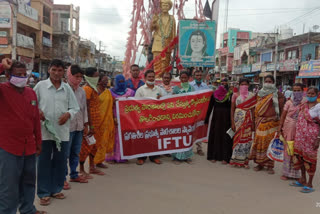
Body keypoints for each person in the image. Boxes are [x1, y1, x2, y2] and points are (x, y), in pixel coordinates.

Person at [0, 61, 46, 214]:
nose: (22, 77)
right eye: (17, 74)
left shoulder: (30, 93)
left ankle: (28, 209)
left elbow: (35, 120)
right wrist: (2, 66)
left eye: (24, 74)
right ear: (7, 76)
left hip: (29, 146)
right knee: (9, 185)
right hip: (8, 147)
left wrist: (38, 141)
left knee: (29, 182)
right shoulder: (3, 90)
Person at [34, 59, 79, 206]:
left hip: (62, 132)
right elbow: (31, 103)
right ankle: (43, 192)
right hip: (44, 131)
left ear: (63, 72)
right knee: (43, 162)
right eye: (54, 70)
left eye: (60, 70)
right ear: (49, 70)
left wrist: (68, 114)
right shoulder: (40, 86)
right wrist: (37, 111)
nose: (56, 73)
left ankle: (56, 188)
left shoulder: (67, 89)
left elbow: (74, 108)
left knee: (60, 162)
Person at [250, 75, 285, 175]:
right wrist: (253, 121)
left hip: (272, 122)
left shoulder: (278, 94)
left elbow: (281, 110)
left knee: (270, 144)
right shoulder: (259, 94)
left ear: (273, 83)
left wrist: (281, 125)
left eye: (270, 81)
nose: (268, 83)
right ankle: (259, 164)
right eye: (266, 81)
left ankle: (270, 165)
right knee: (260, 143)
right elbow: (254, 107)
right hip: (260, 122)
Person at [63, 65, 89, 191]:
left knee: (75, 152)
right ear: (69, 75)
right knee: (64, 154)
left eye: (80, 77)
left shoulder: (81, 91)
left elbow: (83, 109)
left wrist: (85, 124)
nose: (78, 79)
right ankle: (62, 178)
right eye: (76, 76)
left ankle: (73, 174)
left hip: (78, 127)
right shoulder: (63, 89)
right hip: (67, 128)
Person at [290, 87, 320, 193]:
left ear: (317, 94)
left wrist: (318, 139)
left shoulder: (318, 107)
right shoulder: (304, 105)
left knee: (310, 159)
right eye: (309, 93)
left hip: (311, 137)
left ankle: (310, 183)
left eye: (312, 94)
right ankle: (302, 179)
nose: (310, 95)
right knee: (300, 157)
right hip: (300, 136)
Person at [79, 67, 105, 177]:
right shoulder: (87, 89)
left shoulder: (93, 88)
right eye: (96, 76)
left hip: (96, 123)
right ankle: (81, 169)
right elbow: (87, 107)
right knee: (85, 146)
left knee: (94, 145)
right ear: (89, 77)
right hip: (90, 124)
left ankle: (92, 166)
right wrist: (89, 125)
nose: (97, 78)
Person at [135, 70, 164, 165]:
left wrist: (160, 99)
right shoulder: (140, 90)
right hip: (144, 118)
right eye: (149, 77)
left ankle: (154, 157)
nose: (151, 78)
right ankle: (141, 157)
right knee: (143, 138)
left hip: (156, 118)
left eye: (153, 77)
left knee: (154, 138)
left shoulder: (159, 89)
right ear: (145, 78)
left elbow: (164, 102)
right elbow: (136, 104)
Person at [106, 74, 135, 163]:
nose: (121, 83)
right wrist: (113, 102)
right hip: (113, 117)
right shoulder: (109, 92)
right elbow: (106, 105)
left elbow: (134, 104)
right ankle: (111, 157)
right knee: (113, 137)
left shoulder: (130, 92)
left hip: (125, 118)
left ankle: (122, 156)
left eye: (123, 81)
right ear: (115, 82)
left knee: (123, 137)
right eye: (119, 82)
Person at [278, 83, 304, 181]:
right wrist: (279, 128)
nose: (296, 92)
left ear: (302, 90)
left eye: (298, 90)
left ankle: (296, 174)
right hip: (288, 129)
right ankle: (286, 173)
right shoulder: (289, 102)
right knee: (288, 150)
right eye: (295, 90)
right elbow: (283, 115)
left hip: (300, 131)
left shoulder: (305, 103)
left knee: (297, 151)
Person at [205, 78, 233, 164]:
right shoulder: (214, 94)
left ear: (228, 83)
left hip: (226, 119)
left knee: (226, 137)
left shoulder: (230, 94)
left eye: (225, 82)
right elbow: (210, 107)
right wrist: (206, 118)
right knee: (216, 136)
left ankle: (225, 157)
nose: (224, 83)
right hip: (216, 118)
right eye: (222, 82)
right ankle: (214, 156)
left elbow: (233, 108)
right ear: (219, 84)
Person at [229, 78, 256, 169]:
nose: (244, 86)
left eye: (245, 84)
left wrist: (253, 123)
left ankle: (245, 161)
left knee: (247, 140)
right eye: (242, 84)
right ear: (239, 85)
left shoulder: (252, 95)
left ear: (248, 85)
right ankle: (236, 160)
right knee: (238, 138)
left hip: (248, 120)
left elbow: (253, 110)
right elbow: (232, 109)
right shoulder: (235, 95)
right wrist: (232, 122)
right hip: (238, 120)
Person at [171, 71, 195, 164]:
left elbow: (195, 100)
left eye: (186, 78)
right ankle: (176, 157)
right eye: (182, 78)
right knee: (178, 135)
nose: (184, 79)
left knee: (188, 135)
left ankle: (187, 156)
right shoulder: (176, 88)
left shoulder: (192, 88)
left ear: (188, 78)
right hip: (179, 116)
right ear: (180, 79)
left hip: (189, 116)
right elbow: (172, 101)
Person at [151, 0, 176, 77]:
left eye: (167, 5)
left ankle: (164, 78)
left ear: (169, 7)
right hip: (158, 43)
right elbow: (151, 29)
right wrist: (153, 22)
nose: (165, 6)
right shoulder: (156, 17)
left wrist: (173, 43)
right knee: (157, 63)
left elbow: (173, 32)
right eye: (163, 5)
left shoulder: (172, 18)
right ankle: (157, 77)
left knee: (166, 63)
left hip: (168, 44)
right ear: (161, 7)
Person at [95, 74, 115, 168]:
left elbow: (111, 104)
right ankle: (93, 161)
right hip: (97, 121)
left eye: (107, 81)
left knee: (104, 141)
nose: (107, 82)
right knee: (96, 142)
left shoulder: (108, 92)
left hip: (107, 121)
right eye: (105, 80)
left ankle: (99, 161)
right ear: (99, 81)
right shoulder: (95, 91)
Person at [190, 70, 209, 156]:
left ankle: (199, 148)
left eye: (200, 75)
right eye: (197, 75)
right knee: (190, 130)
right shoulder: (190, 85)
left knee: (199, 129)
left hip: (201, 112)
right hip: (191, 112)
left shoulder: (205, 86)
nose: (198, 77)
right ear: (194, 76)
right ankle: (189, 148)